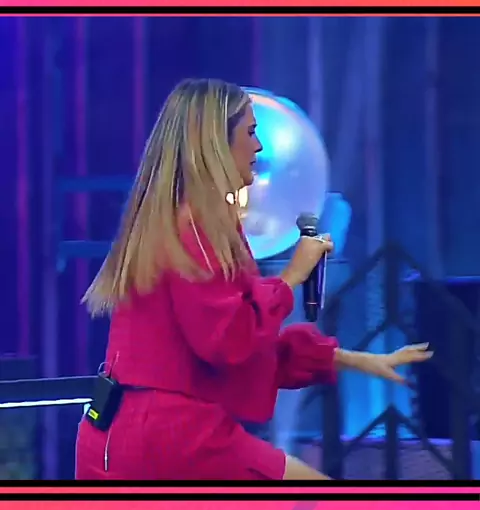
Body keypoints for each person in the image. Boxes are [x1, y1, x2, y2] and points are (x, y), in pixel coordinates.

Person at [75, 79, 432, 481]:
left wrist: (358, 360)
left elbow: (243, 347)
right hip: (171, 437)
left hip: (129, 434)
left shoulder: (177, 223)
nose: (259, 147)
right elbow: (232, 339)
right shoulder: (195, 230)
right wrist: (292, 275)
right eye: (250, 133)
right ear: (215, 144)